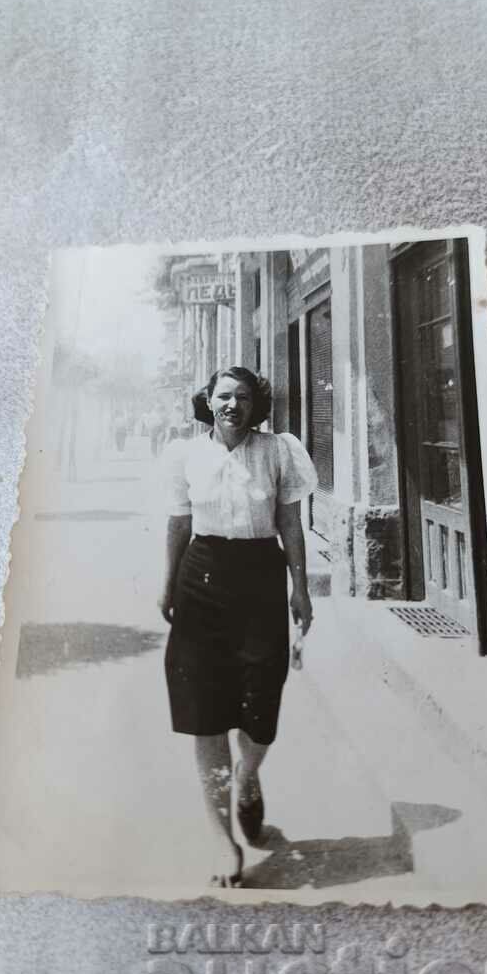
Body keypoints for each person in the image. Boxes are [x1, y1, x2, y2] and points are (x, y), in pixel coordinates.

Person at [158, 366, 317, 888]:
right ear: (208, 400)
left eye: (243, 398)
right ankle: (222, 840)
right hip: (200, 577)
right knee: (204, 711)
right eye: (223, 396)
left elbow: (290, 523)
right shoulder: (185, 454)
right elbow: (178, 523)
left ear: (256, 405)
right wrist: (166, 585)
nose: (232, 405)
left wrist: (302, 587)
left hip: (259, 579)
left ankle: (247, 777)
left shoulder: (279, 451)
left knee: (260, 705)